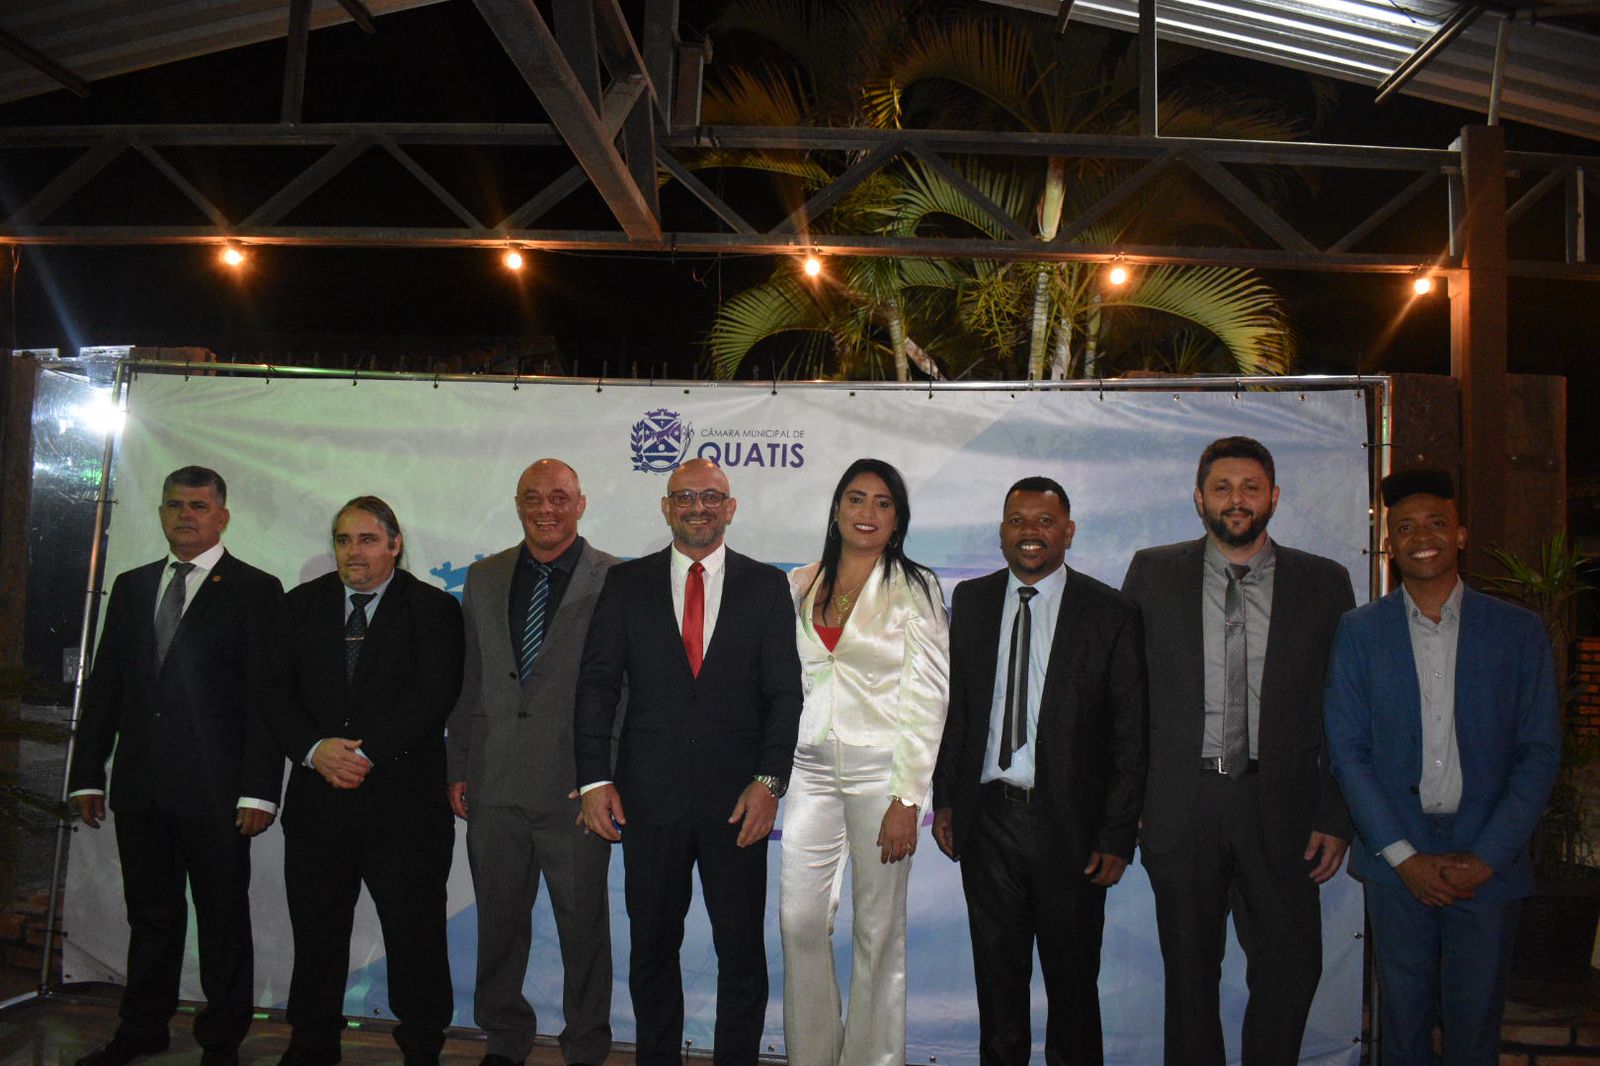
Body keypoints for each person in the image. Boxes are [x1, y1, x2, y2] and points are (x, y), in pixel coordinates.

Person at [1121, 436, 1354, 1066]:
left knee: (1290, 970)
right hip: (1181, 804)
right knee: (1190, 977)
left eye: (1251, 487)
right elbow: (1126, 696)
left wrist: (1336, 814)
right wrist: (1129, 802)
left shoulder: (1323, 581)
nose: (1237, 500)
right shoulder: (1153, 572)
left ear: (1274, 496)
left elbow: (1344, 706)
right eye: (1222, 487)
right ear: (1199, 498)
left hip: (1283, 807)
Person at [1324, 468, 1559, 1066]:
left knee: (1475, 1028)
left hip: (1488, 855)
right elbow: (1348, 750)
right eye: (1405, 527)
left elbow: (1538, 752)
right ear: (1390, 545)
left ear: (1460, 535)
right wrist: (1403, 857)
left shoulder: (1517, 631)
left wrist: (1488, 856)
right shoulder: (1359, 632)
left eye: (1435, 523)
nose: (1421, 536)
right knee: (1400, 1027)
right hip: (1397, 857)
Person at [575, 457, 803, 1066]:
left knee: (742, 953)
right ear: (666, 507)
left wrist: (769, 782)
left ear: (730, 508)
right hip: (648, 800)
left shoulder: (765, 586)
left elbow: (785, 693)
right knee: (651, 949)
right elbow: (597, 685)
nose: (697, 507)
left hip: (739, 803)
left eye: (710, 497)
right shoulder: (626, 584)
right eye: (684, 497)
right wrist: (594, 780)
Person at [67, 466, 285, 1066]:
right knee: (151, 919)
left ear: (222, 516)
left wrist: (260, 791)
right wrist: (87, 773)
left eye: (198, 505)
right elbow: (106, 686)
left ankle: (221, 1042)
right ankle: (142, 1030)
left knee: (222, 922)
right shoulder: (132, 585)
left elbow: (265, 700)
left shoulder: (256, 589)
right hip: (141, 789)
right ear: (161, 512)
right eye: (174, 505)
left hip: (219, 794)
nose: (185, 515)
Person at [932, 476, 1146, 1066]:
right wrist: (946, 798)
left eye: (1045, 521)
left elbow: (1131, 735)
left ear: (1068, 532)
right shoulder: (972, 601)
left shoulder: (1111, 612)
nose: (1030, 532)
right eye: (1017, 520)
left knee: (1073, 989)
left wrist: (1116, 835)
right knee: (997, 986)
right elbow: (958, 709)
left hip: (1072, 831)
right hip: (988, 823)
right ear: (1001, 532)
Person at [271, 497, 465, 1066]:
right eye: (343, 540)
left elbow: (436, 694)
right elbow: (273, 694)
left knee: (415, 937)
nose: (353, 552)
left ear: (395, 545)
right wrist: (316, 751)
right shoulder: (299, 606)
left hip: (405, 810)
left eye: (367, 539)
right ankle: (311, 1045)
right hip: (318, 802)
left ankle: (422, 1048)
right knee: (317, 935)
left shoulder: (432, 608)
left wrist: (363, 754)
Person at [447, 459, 618, 1066]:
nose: (546, 509)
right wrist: (458, 765)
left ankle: (586, 1046)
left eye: (559, 497)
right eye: (532, 498)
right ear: (518, 504)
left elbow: (626, 688)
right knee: (498, 927)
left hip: (575, 790)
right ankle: (504, 1039)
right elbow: (470, 676)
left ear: (581, 503)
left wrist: (605, 776)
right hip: (493, 783)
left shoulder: (617, 578)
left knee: (583, 930)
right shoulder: (485, 575)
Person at [780, 458, 950, 1066]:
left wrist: (908, 798)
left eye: (883, 503)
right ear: (836, 510)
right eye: (856, 499)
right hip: (809, 771)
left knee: (878, 931)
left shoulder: (916, 587)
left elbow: (929, 696)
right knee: (799, 921)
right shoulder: (801, 582)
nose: (868, 513)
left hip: (883, 773)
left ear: (898, 520)